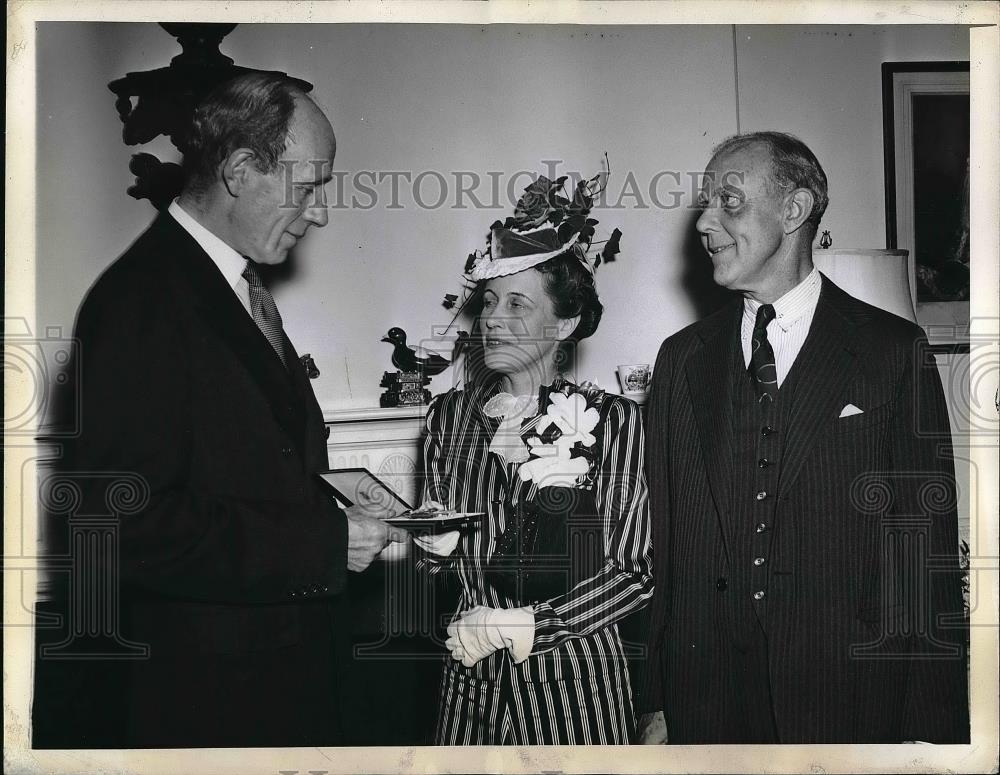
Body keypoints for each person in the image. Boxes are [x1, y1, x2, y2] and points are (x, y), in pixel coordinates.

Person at [44, 72, 406, 747]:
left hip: (267, 681)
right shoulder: (143, 300)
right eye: (309, 186)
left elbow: (225, 464)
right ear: (242, 170)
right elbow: (119, 521)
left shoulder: (224, 283)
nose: (321, 212)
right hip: (211, 704)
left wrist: (322, 493)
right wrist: (322, 542)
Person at [637, 131, 969, 744]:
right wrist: (656, 698)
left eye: (728, 201)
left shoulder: (891, 351)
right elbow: (670, 546)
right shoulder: (681, 359)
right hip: (709, 702)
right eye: (706, 204)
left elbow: (925, 556)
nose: (706, 223)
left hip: (849, 695)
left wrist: (935, 726)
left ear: (794, 210)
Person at [414, 173, 653, 744]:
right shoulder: (447, 417)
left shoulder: (613, 422)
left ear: (564, 324)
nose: (493, 318)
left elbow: (636, 572)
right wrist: (430, 550)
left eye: (518, 303)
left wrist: (529, 625)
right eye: (490, 301)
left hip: (572, 686)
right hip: (469, 686)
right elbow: (440, 566)